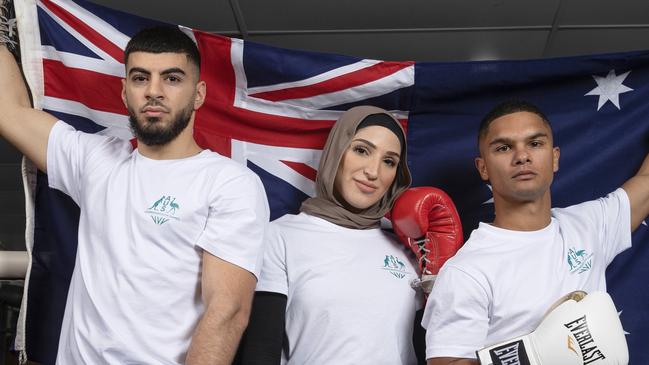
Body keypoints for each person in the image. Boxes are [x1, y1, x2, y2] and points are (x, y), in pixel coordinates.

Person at [0, 25, 269, 364]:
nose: (154, 91)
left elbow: (227, 311)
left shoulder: (228, 182)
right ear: (125, 92)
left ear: (198, 93)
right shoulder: (96, 162)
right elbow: (9, 112)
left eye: (171, 79)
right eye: (141, 78)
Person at [422, 100, 649, 364]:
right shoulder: (467, 272)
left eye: (535, 143)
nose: (522, 156)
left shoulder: (589, 226)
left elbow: (645, 182)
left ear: (554, 158)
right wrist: (533, 355)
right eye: (504, 147)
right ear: (483, 167)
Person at [237, 106, 421, 364]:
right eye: (361, 150)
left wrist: (437, 275)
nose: (373, 172)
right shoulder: (281, 236)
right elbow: (261, 350)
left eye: (389, 161)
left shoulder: (408, 245)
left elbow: (431, 346)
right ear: (337, 151)